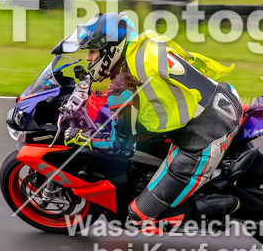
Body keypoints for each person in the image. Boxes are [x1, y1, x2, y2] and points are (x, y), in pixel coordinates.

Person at [66, 13, 242, 231]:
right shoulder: (146, 46)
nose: (89, 59)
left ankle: (233, 206)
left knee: (136, 218)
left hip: (207, 134)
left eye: (92, 51)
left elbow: (119, 147)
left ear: (111, 50)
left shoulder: (122, 87)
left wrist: (82, 138)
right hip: (223, 97)